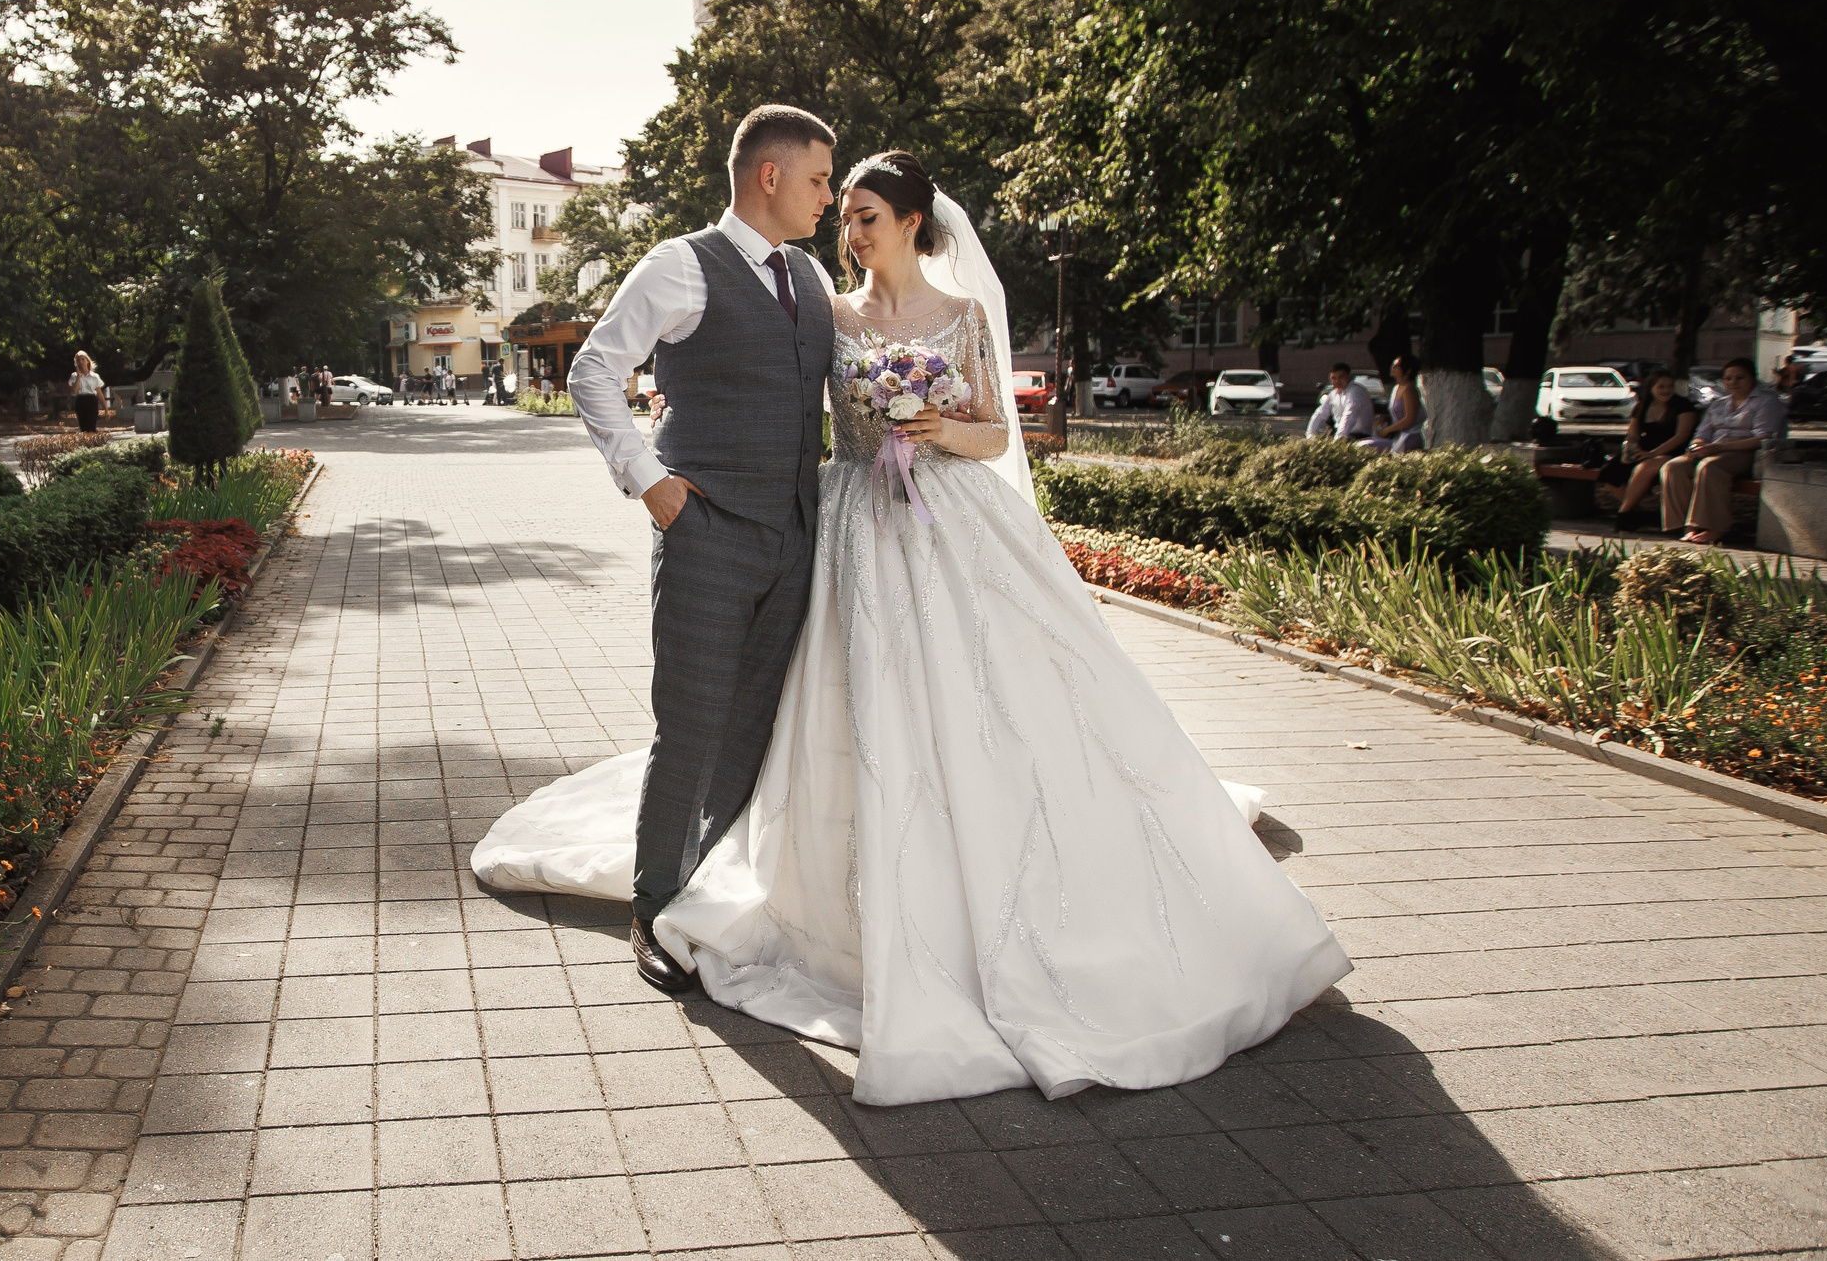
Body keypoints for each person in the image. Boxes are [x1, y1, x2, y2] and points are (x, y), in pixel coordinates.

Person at [477, 146, 1349, 1109]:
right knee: (804, 710)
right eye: (836, 206)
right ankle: (696, 891)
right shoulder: (817, 301)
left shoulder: (942, 311)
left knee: (979, 706)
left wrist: (936, 427)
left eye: (862, 215)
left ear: (912, 225)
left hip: (944, 528)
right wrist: (666, 478)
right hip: (843, 522)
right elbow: (705, 381)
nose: (845, 228)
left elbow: (992, 429)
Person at [550, 103, 842, 996]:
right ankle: (654, 904)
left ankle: (707, 895)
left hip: (796, 535)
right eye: (822, 178)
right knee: (692, 725)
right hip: (708, 530)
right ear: (770, 175)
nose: (830, 196)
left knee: (751, 728)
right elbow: (593, 369)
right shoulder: (681, 265)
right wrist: (652, 483)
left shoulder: (813, 279)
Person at [1664, 357, 1785, 545]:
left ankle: (1715, 527)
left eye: (1740, 378)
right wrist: (1697, 446)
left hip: (1744, 451)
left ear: (1752, 378)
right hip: (1713, 448)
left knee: (1709, 467)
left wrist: (1717, 447)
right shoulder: (1719, 404)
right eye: (1728, 378)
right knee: (1673, 467)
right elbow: (1702, 433)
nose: (1733, 383)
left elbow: (1763, 438)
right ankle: (1686, 525)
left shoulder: (1766, 402)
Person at [1612, 369, 1699, 527]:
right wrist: (1629, 448)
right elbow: (1633, 433)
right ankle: (1637, 513)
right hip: (1645, 449)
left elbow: (1681, 436)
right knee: (1611, 471)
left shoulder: (1683, 406)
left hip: (1673, 450)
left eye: (1670, 386)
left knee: (1644, 468)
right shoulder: (1641, 406)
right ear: (1651, 388)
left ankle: (1623, 514)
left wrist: (1652, 454)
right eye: (1661, 387)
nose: (1666, 390)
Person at [1305, 360, 1380, 440]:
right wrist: (1311, 434)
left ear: (1349, 377)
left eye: (1341, 377)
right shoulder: (1333, 394)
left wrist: (1339, 438)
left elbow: (1350, 415)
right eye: (1333, 378)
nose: (1337, 381)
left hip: (1359, 435)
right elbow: (1320, 413)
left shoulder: (1355, 392)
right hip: (1342, 434)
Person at [1370, 354, 1425, 452]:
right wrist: (1384, 419)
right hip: (1399, 436)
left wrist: (1387, 430)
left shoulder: (1409, 389)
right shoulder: (1396, 388)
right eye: (1393, 365)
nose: (1392, 367)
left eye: (1396, 366)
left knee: (1368, 446)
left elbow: (1409, 419)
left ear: (1408, 371)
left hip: (1411, 436)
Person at [66, 351, 104, 434]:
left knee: (91, 425)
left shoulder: (94, 376)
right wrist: (79, 377)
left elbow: (99, 393)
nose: (81, 362)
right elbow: (74, 391)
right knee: (84, 426)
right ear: (76, 363)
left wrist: (106, 409)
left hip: (92, 400)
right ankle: (86, 443)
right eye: (78, 360)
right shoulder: (74, 376)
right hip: (81, 400)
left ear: (87, 360)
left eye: (83, 359)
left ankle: (93, 442)